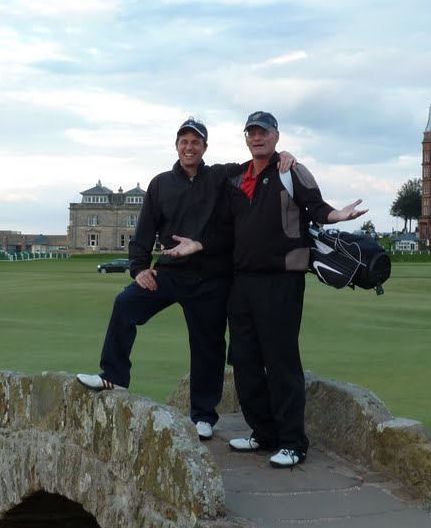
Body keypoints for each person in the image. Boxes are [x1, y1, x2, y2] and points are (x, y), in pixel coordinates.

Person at [76, 118, 295, 442]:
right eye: (184, 141)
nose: (189, 147)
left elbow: (257, 162)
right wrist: (140, 269)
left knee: (207, 345)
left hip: (211, 277)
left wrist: (283, 157)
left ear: (204, 147)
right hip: (171, 272)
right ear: (177, 146)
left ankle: (204, 415)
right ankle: (114, 376)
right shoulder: (161, 183)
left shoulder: (220, 176)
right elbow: (144, 232)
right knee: (126, 303)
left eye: (196, 142)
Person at [177, 111, 367, 468]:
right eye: (251, 133)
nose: (257, 137)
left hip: (282, 280)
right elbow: (207, 188)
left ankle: (293, 442)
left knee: (280, 362)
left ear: (276, 136)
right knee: (245, 363)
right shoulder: (235, 177)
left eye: (263, 132)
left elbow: (317, 207)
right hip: (242, 282)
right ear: (246, 138)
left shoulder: (290, 170)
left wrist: (337, 216)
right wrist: (198, 244)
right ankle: (264, 433)